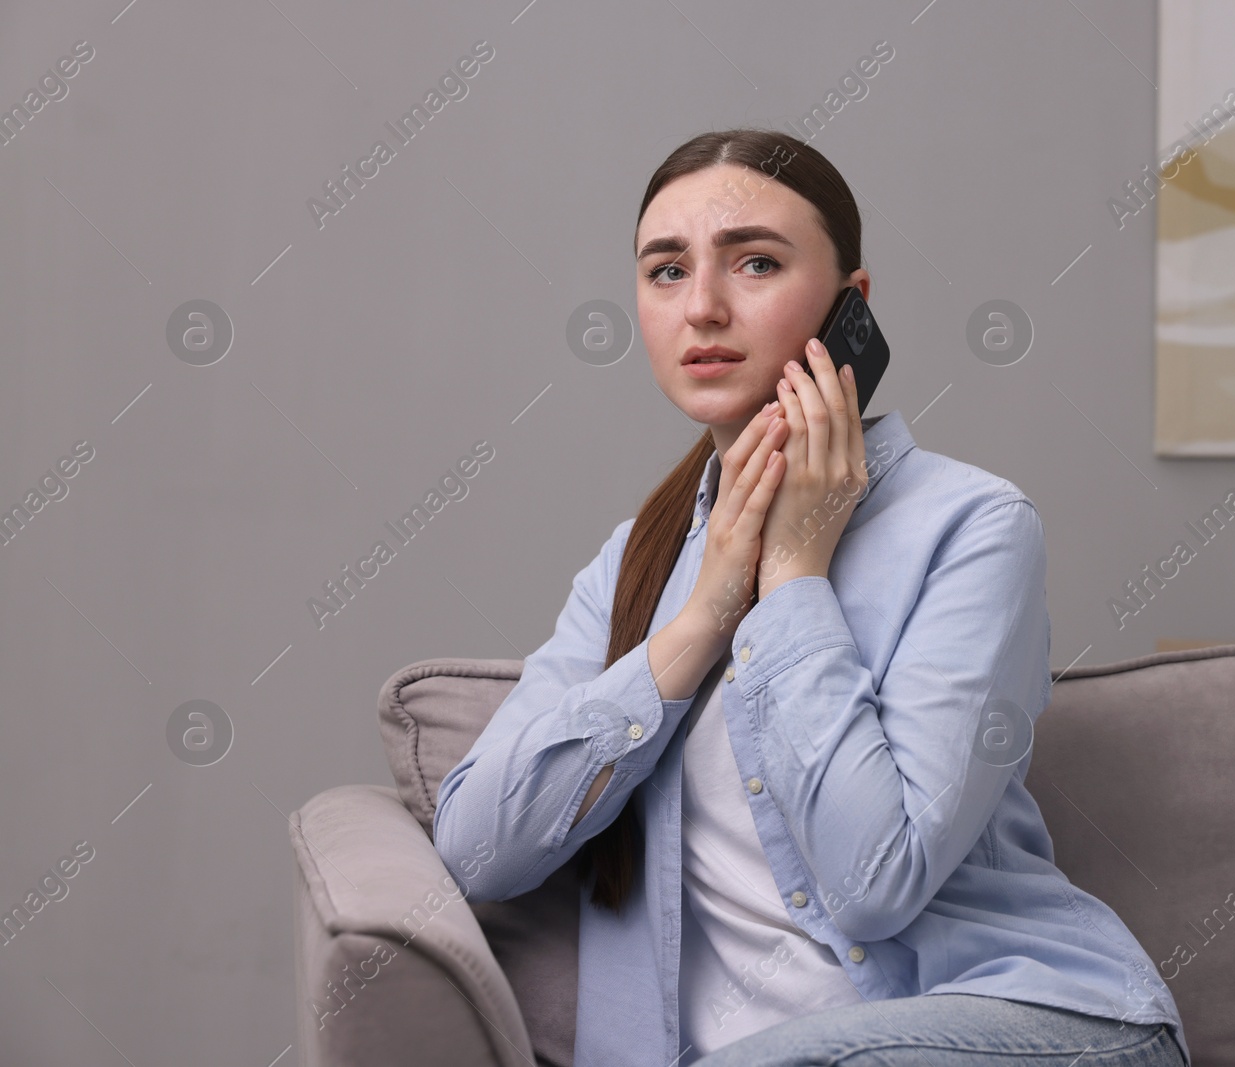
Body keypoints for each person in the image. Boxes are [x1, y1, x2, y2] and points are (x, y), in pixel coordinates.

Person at [433, 128, 1189, 1067]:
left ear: (850, 308)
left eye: (755, 262)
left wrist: (793, 575)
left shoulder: (976, 526)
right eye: (666, 271)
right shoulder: (634, 565)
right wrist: (706, 616)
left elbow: (875, 883)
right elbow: (473, 849)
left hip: (1027, 1031)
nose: (703, 307)